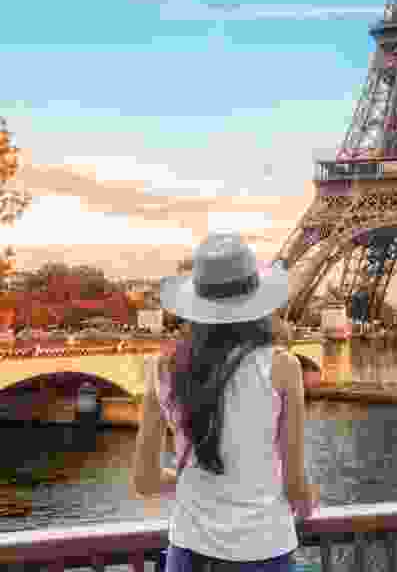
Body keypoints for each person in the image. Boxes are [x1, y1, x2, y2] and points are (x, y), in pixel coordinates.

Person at [131, 231, 320, 571]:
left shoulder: (163, 368)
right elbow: (295, 486)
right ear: (256, 303)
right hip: (264, 551)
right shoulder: (282, 367)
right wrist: (307, 501)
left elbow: (145, 481)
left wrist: (198, 483)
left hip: (190, 553)